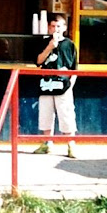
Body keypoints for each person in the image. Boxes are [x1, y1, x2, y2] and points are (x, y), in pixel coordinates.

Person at [33, 14, 78, 158]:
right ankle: (47, 143)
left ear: (64, 28)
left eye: (58, 26)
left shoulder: (70, 44)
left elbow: (74, 67)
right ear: (48, 28)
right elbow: (39, 61)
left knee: (66, 114)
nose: (56, 29)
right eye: (52, 26)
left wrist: (71, 85)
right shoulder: (44, 42)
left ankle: (70, 144)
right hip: (46, 85)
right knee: (45, 115)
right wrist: (50, 47)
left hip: (63, 85)